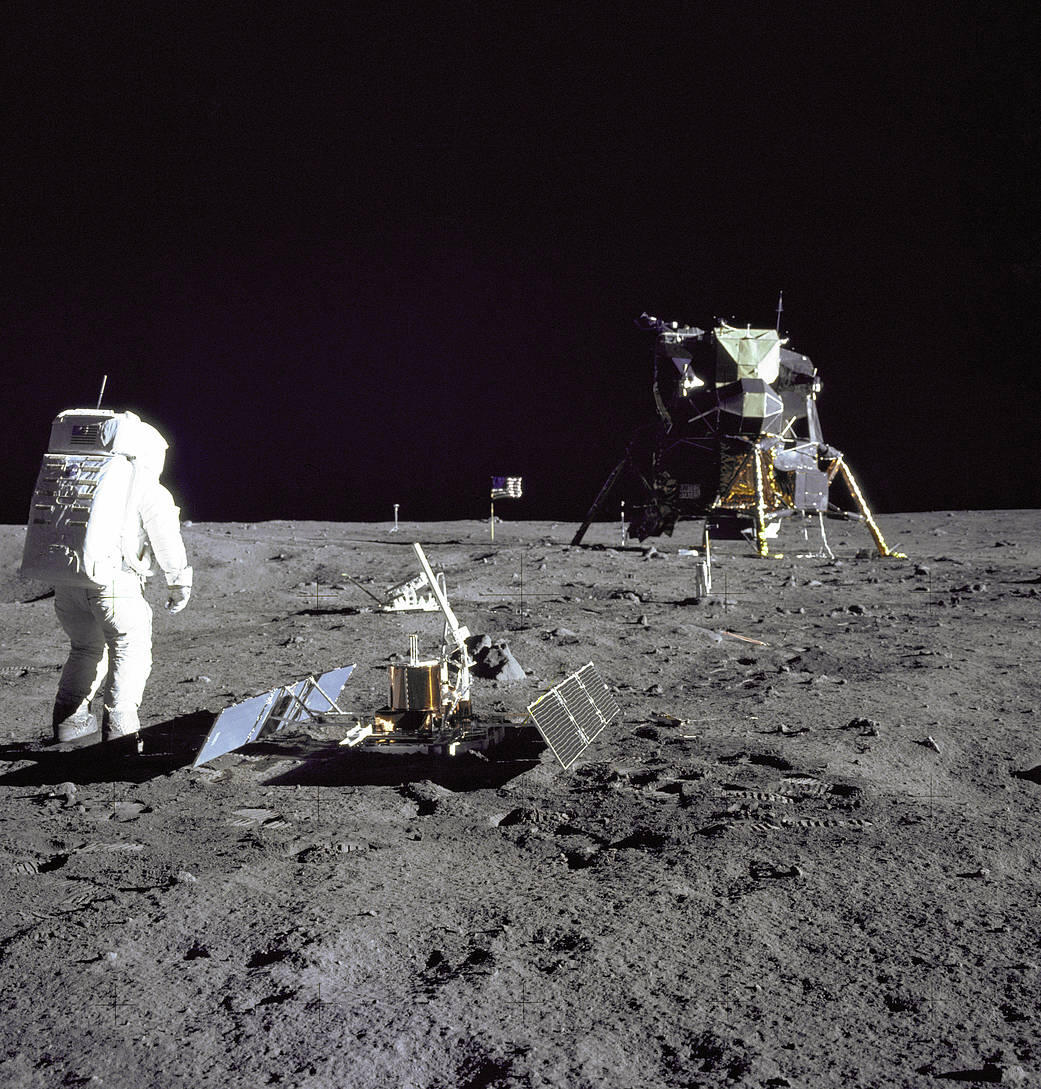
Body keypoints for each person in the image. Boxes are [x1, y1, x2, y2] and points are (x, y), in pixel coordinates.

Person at [40, 414, 193, 744]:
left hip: (69, 583)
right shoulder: (144, 486)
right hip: (114, 585)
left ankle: (70, 721)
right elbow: (165, 537)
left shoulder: (75, 477)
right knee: (130, 649)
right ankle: (121, 733)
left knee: (85, 648)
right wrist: (179, 582)